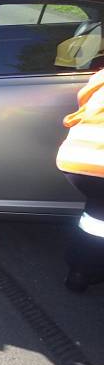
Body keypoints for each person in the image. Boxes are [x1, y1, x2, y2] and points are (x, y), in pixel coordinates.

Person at [56, 68, 104, 292]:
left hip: (77, 159)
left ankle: (78, 274)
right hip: (99, 163)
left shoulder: (99, 78)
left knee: (95, 219)